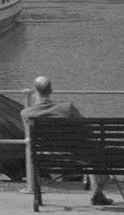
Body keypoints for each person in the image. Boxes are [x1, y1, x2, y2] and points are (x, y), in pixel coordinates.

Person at [20, 75, 112, 206]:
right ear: (51, 90)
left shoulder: (26, 114)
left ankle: (38, 197)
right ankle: (97, 193)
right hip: (77, 154)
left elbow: (30, 136)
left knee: (91, 153)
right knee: (96, 153)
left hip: (45, 156)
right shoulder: (67, 108)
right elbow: (89, 128)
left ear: (34, 91)